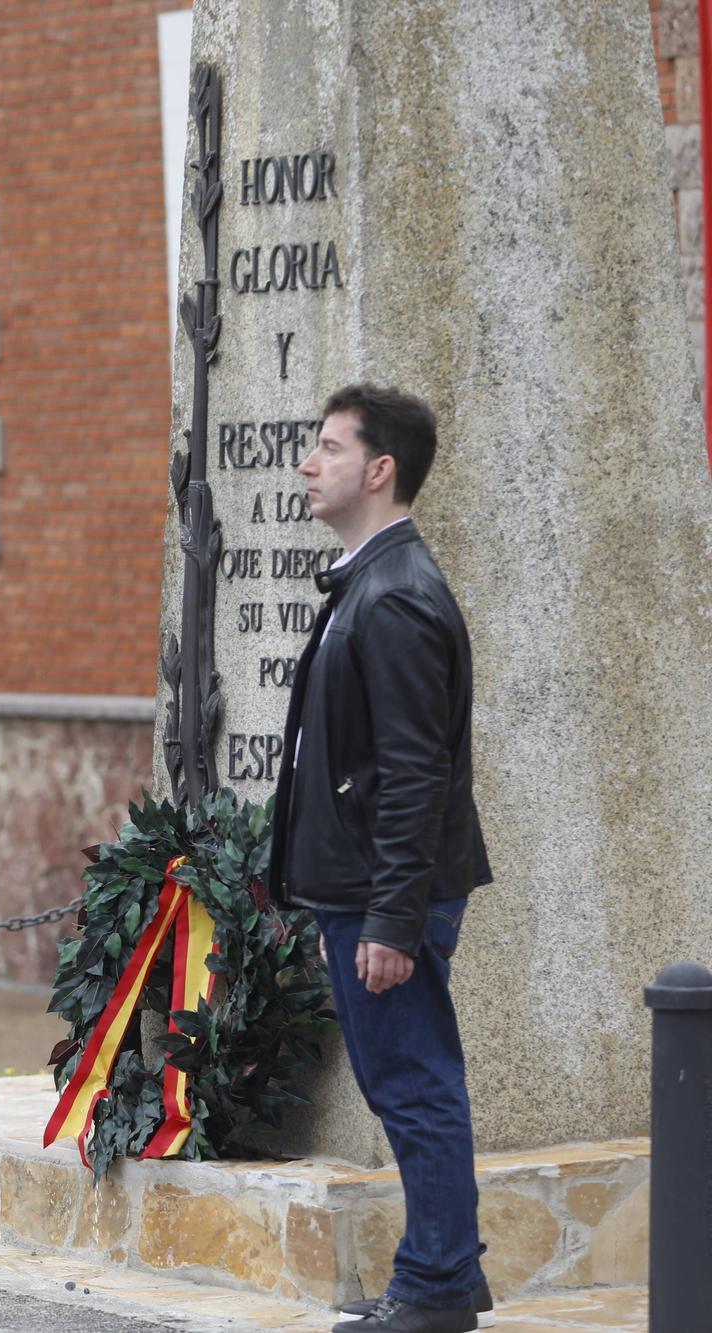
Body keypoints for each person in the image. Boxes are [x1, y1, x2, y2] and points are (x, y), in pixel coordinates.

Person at [269, 385, 495, 1333]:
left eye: (327, 448)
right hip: (359, 888)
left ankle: (440, 1285)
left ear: (380, 468)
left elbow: (413, 773)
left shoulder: (396, 595)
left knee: (414, 1082)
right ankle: (438, 1276)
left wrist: (394, 918)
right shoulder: (370, 578)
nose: (309, 464)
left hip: (381, 895)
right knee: (405, 1080)